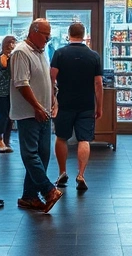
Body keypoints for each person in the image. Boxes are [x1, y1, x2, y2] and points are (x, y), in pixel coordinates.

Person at [10, 19, 63, 213]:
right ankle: (48, 190)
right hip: (29, 113)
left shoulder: (41, 52)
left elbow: (47, 80)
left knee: (43, 154)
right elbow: (21, 83)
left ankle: (29, 196)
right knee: (31, 154)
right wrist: (37, 107)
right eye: (45, 34)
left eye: (49, 35)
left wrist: (53, 99)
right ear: (33, 31)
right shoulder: (21, 52)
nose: (48, 38)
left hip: (44, 111)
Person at [50, 22, 102, 191]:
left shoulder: (59, 53)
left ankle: (62, 172)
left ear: (69, 34)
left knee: (61, 137)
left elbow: (51, 78)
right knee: (84, 139)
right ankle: (81, 174)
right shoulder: (94, 56)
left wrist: (53, 100)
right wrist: (99, 106)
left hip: (64, 103)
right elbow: (98, 83)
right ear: (84, 34)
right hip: (86, 104)